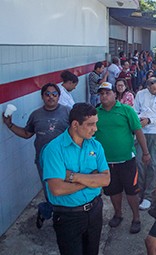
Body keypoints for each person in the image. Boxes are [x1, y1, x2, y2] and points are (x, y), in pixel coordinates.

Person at [41, 103, 111, 255]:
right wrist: (91, 180)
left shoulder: (95, 146)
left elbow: (106, 180)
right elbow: (57, 189)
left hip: (94, 211)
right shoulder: (54, 149)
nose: (95, 129)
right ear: (75, 124)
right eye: (90, 124)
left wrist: (73, 177)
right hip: (68, 216)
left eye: (96, 124)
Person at [2, 83, 71, 228]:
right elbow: (27, 134)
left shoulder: (67, 112)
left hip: (65, 161)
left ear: (59, 96)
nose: (51, 97)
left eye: (54, 94)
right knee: (50, 191)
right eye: (47, 94)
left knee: (66, 189)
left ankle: (64, 217)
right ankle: (47, 212)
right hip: (43, 161)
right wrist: (10, 124)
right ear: (42, 96)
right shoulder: (36, 115)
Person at [95, 82, 151, 234]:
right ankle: (118, 214)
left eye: (107, 92)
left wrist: (145, 153)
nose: (104, 96)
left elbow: (138, 131)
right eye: (101, 93)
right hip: (106, 163)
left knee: (131, 191)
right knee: (113, 191)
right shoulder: (95, 113)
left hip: (127, 160)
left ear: (115, 94)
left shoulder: (126, 110)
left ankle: (136, 218)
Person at [133, 77, 156, 210]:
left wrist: (149, 120)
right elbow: (134, 111)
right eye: (154, 89)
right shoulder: (140, 95)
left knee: (154, 164)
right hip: (142, 131)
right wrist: (140, 119)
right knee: (139, 162)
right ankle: (139, 191)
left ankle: (149, 196)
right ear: (148, 86)